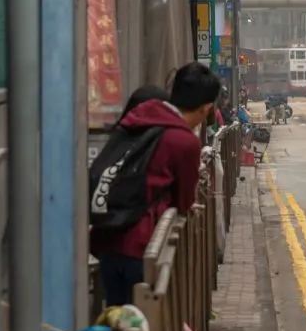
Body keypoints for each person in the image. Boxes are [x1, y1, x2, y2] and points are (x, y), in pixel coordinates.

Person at [91, 66, 218, 306]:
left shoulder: (137, 119)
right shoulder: (183, 141)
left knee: (115, 317)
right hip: (143, 248)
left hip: (107, 239)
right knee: (144, 320)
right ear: (207, 107)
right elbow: (184, 201)